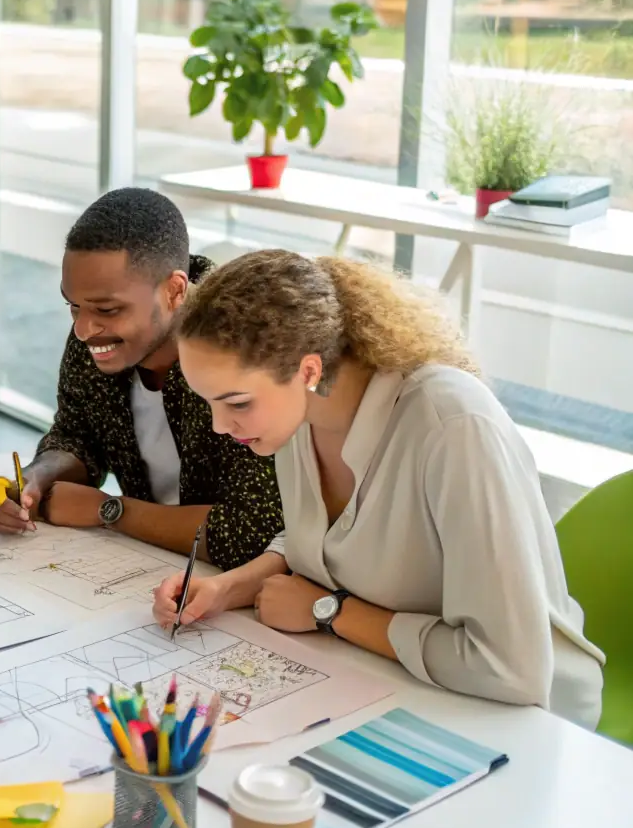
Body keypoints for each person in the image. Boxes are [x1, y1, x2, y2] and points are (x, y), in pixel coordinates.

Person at [154, 248, 604, 727]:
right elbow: (329, 541)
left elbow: (510, 669)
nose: (221, 426)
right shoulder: (292, 419)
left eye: (236, 403)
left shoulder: (451, 424)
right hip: (395, 683)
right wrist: (227, 588)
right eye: (209, 404)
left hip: (528, 720)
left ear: (308, 371)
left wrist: (329, 612)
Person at [0, 188, 283, 571]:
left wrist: (109, 510)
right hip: (148, 570)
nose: (84, 330)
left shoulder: (243, 355)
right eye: (73, 305)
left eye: (107, 309)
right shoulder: (97, 339)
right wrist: (36, 480)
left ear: (174, 291)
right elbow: (78, 435)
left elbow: (251, 534)